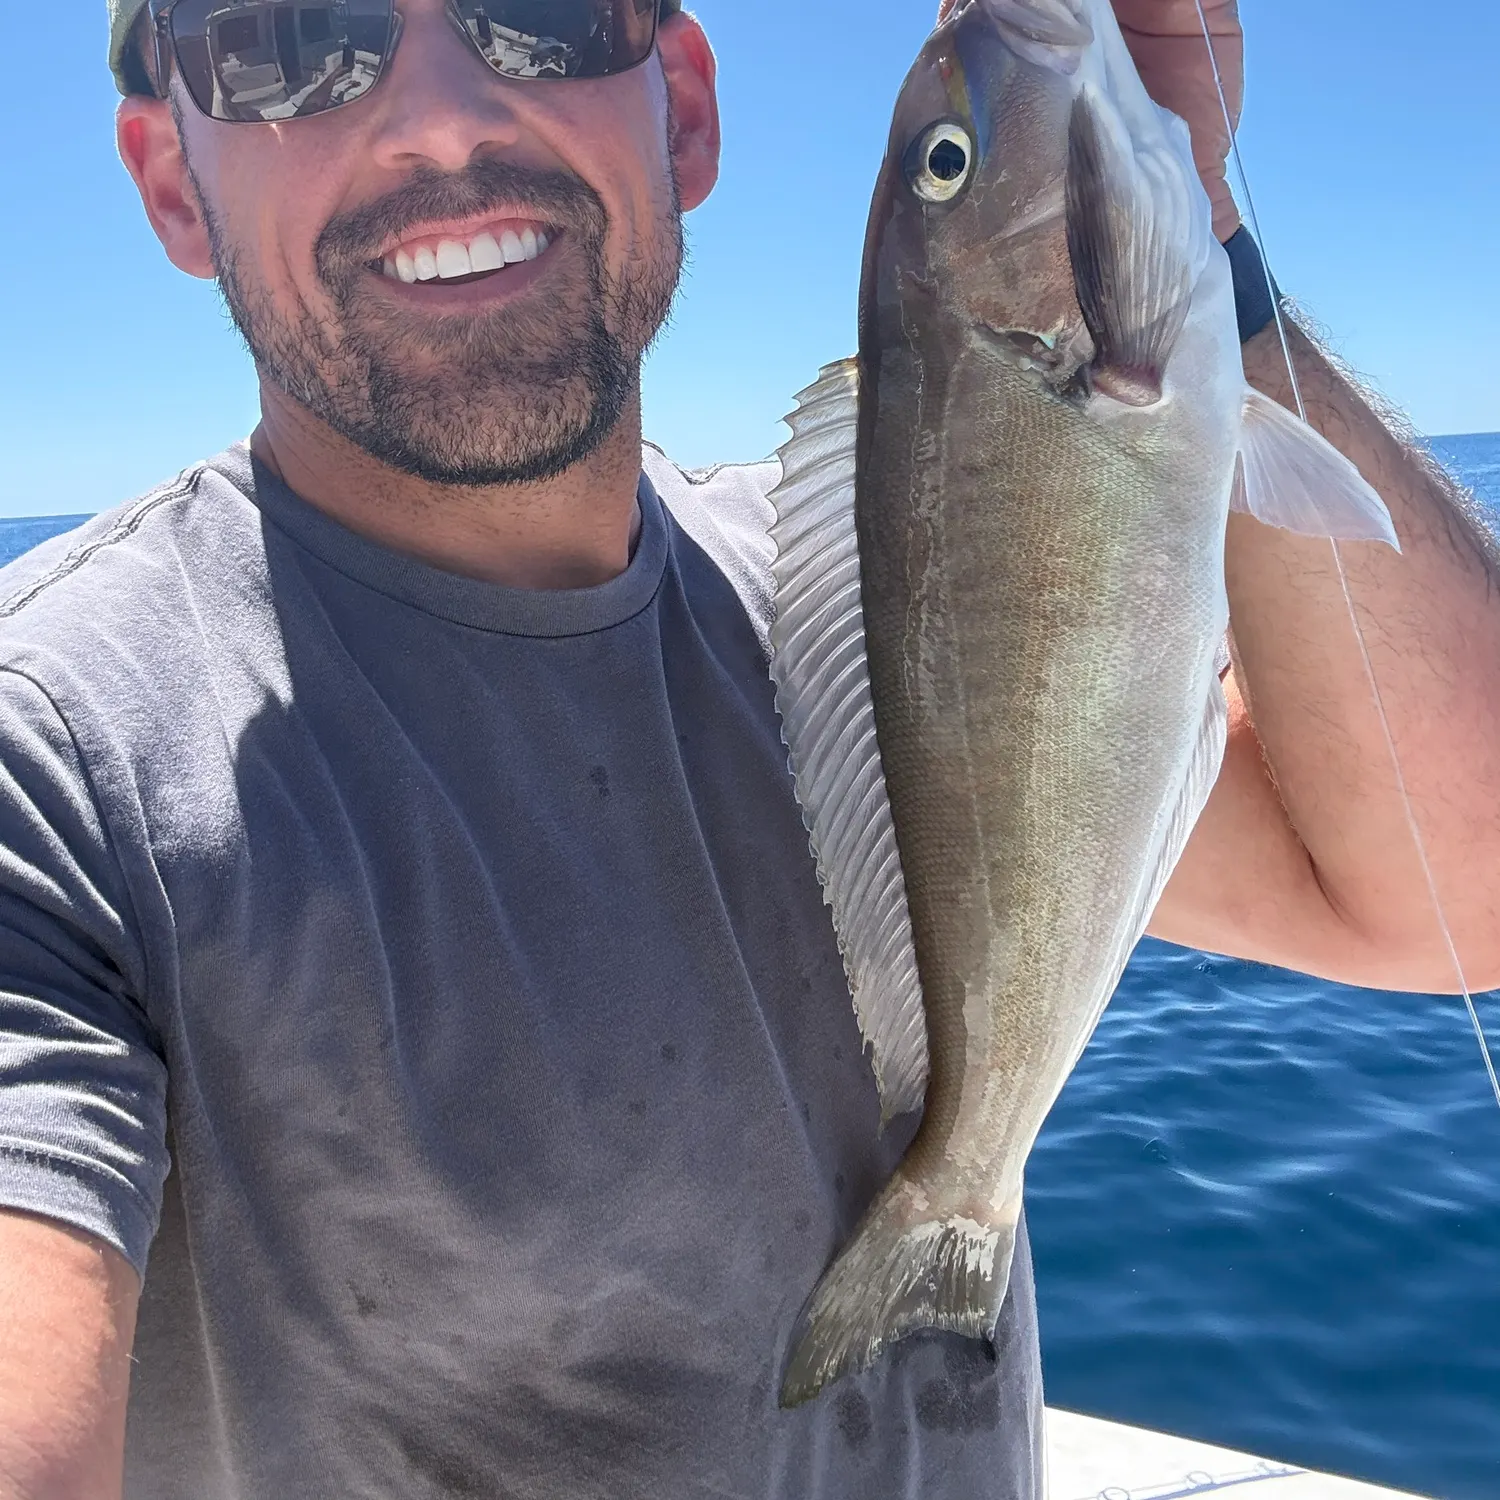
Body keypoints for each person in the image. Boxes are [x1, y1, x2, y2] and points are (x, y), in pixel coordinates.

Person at [1, 0, 1497, 1496]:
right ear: (172, 180)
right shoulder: (51, 763)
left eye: (544, 12)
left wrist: (1185, 237)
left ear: (686, 111)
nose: (441, 119)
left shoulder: (861, 607)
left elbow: (1456, 891)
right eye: (288, 39)